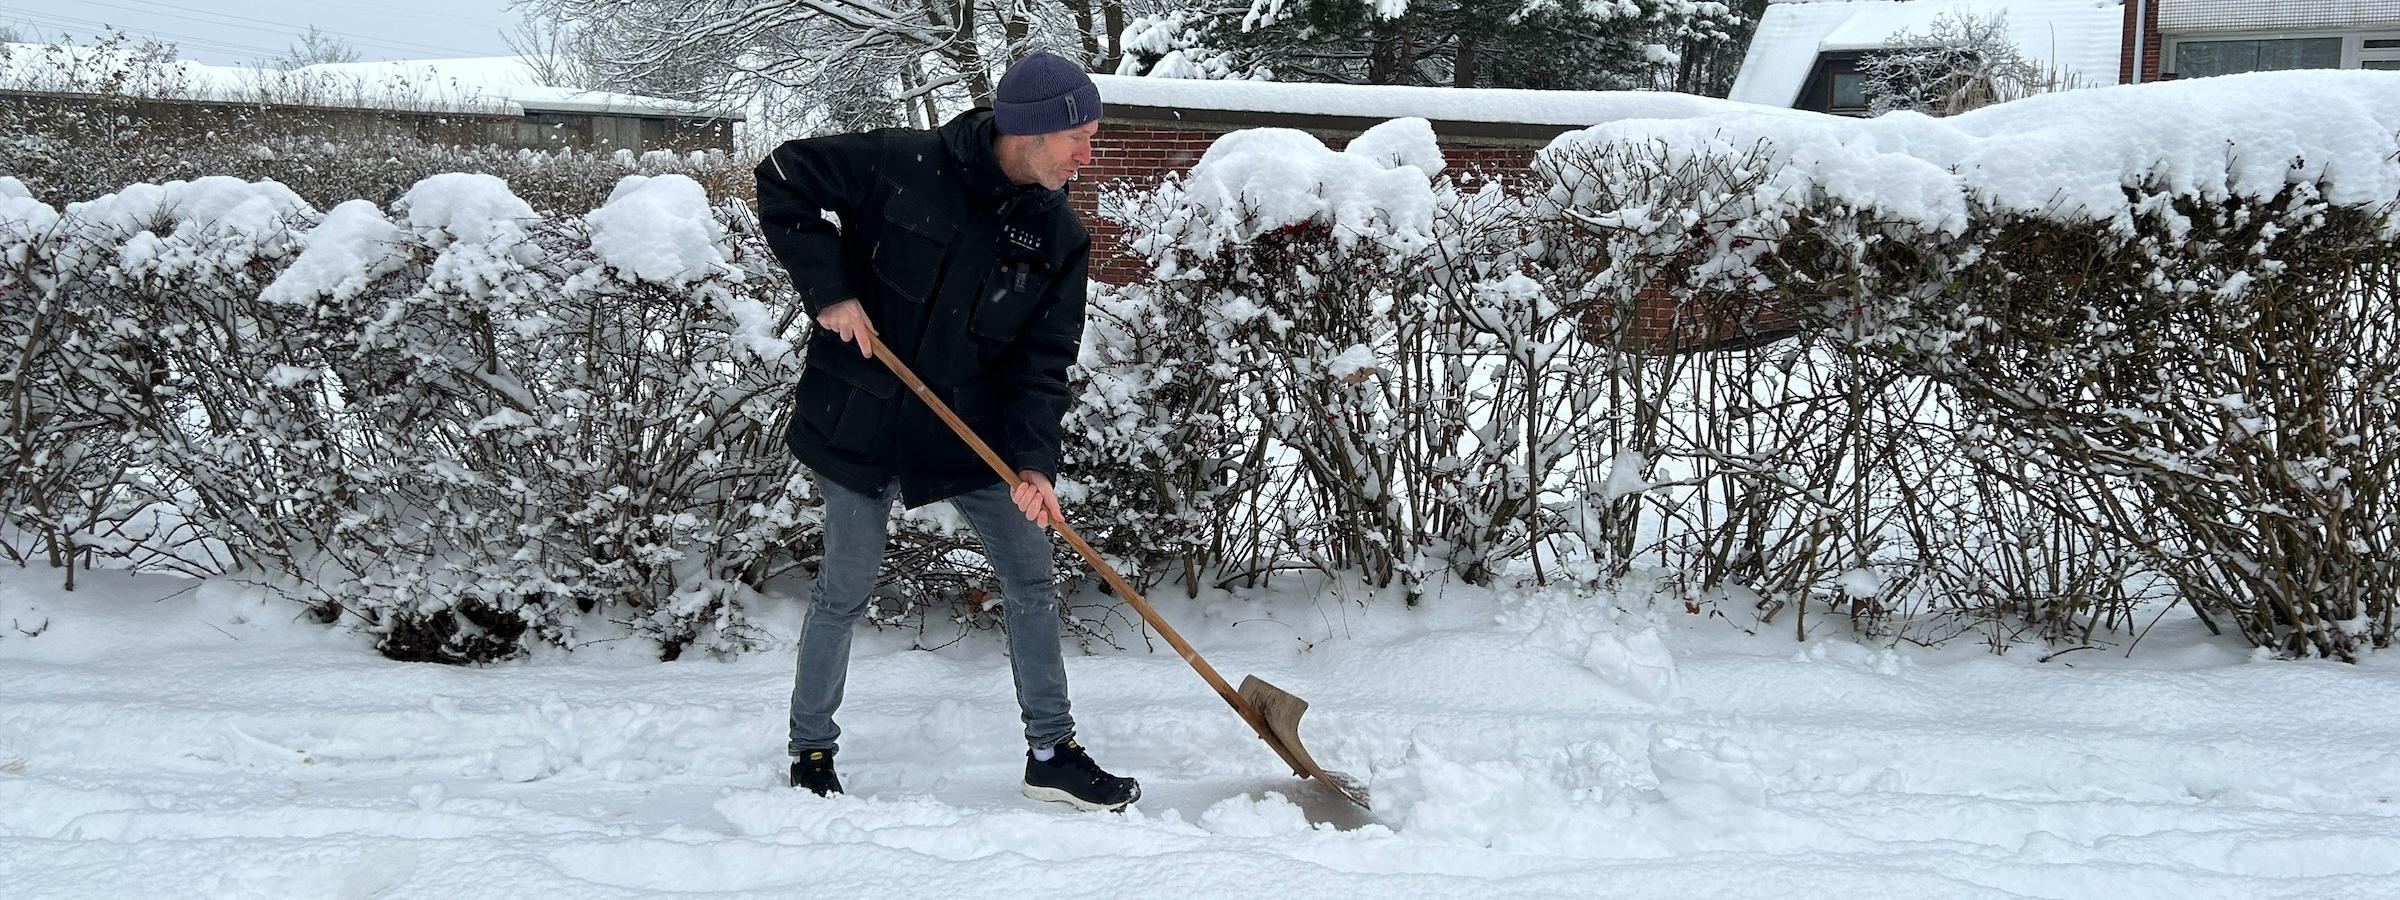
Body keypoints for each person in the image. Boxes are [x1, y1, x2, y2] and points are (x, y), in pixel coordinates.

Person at [753, 51, 1139, 812]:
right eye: (1079, 137)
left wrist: (1032, 463)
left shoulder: (1056, 234)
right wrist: (829, 291)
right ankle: (811, 750)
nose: (1088, 155)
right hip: (860, 416)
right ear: (1031, 129)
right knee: (846, 588)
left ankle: (1051, 751)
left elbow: (1043, 359)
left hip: (970, 434)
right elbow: (782, 176)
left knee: (1031, 579)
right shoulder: (902, 163)